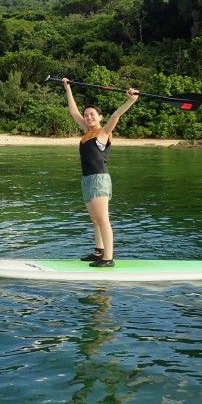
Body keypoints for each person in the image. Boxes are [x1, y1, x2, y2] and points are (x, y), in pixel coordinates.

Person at [62, 78, 139, 267]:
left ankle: (108, 258)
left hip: (99, 179)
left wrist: (130, 101)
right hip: (87, 179)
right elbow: (73, 112)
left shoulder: (103, 133)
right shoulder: (86, 132)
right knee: (95, 219)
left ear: (100, 117)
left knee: (103, 219)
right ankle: (99, 252)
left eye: (92, 115)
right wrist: (68, 88)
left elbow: (115, 116)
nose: (88, 117)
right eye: (86, 115)